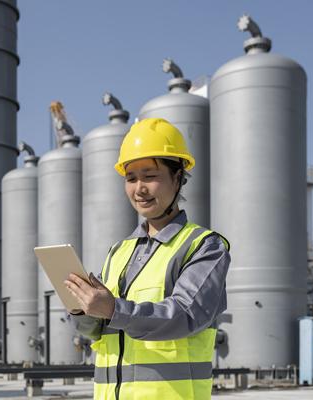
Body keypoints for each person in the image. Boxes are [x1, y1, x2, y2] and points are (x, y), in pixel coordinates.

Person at [64, 118, 231, 400]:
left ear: (178, 177)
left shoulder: (204, 246)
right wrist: (83, 309)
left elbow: (184, 316)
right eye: (131, 178)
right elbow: (99, 331)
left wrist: (114, 309)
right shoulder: (119, 251)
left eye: (150, 176)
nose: (139, 188)